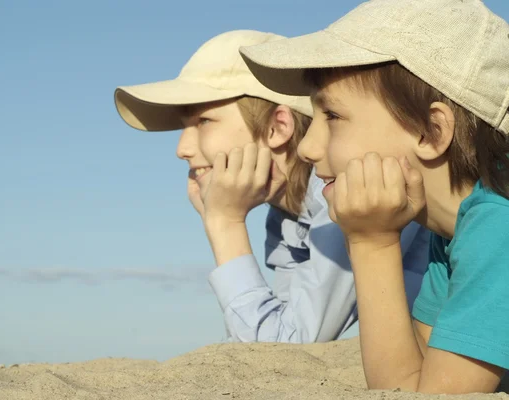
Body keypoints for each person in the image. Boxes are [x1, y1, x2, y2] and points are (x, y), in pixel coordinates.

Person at [238, 0, 509, 394]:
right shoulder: (455, 231)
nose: (308, 148)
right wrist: (373, 241)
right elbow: (405, 379)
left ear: (430, 133)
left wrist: (372, 244)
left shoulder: (498, 226)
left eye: (332, 116)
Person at [114, 30, 429, 343]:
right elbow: (268, 338)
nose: (182, 148)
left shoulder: (348, 195)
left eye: (203, 122)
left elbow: (289, 346)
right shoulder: (288, 215)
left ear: (277, 127)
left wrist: (224, 223)